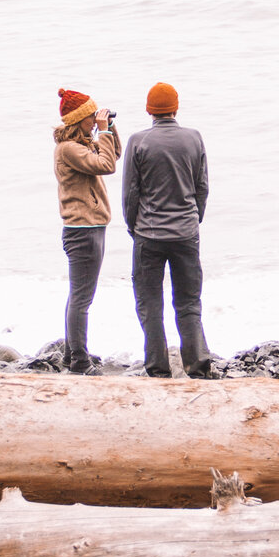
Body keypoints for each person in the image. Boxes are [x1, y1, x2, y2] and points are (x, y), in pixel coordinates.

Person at [122, 81, 213, 378]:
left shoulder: (139, 141)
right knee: (188, 301)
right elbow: (202, 187)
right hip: (186, 232)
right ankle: (197, 366)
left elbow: (130, 194)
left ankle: (158, 368)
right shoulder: (194, 138)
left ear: (149, 110)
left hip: (149, 234)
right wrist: (192, 218)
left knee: (149, 303)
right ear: (175, 108)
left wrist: (133, 226)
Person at [53, 87, 121, 375]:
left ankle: (72, 355)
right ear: (78, 119)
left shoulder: (82, 145)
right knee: (82, 298)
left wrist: (110, 129)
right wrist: (103, 131)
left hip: (89, 226)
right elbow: (106, 166)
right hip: (83, 229)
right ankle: (80, 361)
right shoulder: (69, 149)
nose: (95, 120)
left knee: (79, 295)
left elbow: (113, 154)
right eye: (91, 117)